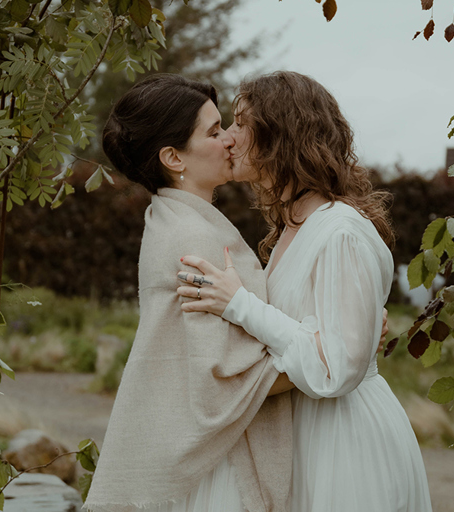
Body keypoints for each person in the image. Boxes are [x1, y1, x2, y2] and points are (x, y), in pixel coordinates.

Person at [176, 71, 433, 512]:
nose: (230, 138)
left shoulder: (341, 232)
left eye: (240, 123)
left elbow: (335, 369)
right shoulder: (292, 229)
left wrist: (240, 304)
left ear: (281, 134)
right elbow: (312, 339)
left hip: (346, 445)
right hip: (305, 435)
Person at [83, 74, 295, 512]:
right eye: (215, 132)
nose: (231, 141)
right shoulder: (191, 238)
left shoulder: (167, 218)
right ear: (173, 156)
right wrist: (340, 353)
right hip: (216, 474)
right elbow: (224, 379)